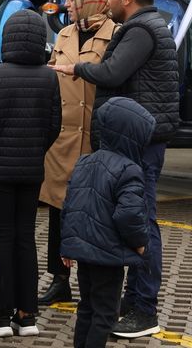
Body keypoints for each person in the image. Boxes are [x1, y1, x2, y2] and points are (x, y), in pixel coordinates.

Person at [56, 0, 179, 338]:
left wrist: (75, 67)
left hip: (140, 139)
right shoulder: (147, 27)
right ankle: (132, 300)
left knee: (141, 220)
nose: (106, 0)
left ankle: (144, 308)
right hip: (138, 137)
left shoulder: (141, 30)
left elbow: (111, 73)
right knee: (134, 218)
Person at [0, 10, 61, 337]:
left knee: (4, 240)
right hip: (32, 170)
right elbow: (55, 125)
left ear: (7, 37)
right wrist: (36, 149)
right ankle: (27, 316)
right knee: (26, 240)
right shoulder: (50, 77)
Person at [40, 0, 117, 306]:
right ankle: (59, 280)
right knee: (60, 212)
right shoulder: (64, 34)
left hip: (97, 140)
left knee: (96, 214)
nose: (66, 3)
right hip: (62, 141)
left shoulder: (117, 36)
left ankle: (95, 285)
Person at [60, 97, 152, 348]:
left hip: (84, 256)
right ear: (133, 137)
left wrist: (65, 247)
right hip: (108, 257)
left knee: (87, 307)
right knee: (106, 314)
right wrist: (141, 243)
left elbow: (69, 206)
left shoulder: (84, 161)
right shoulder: (129, 170)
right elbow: (129, 214)